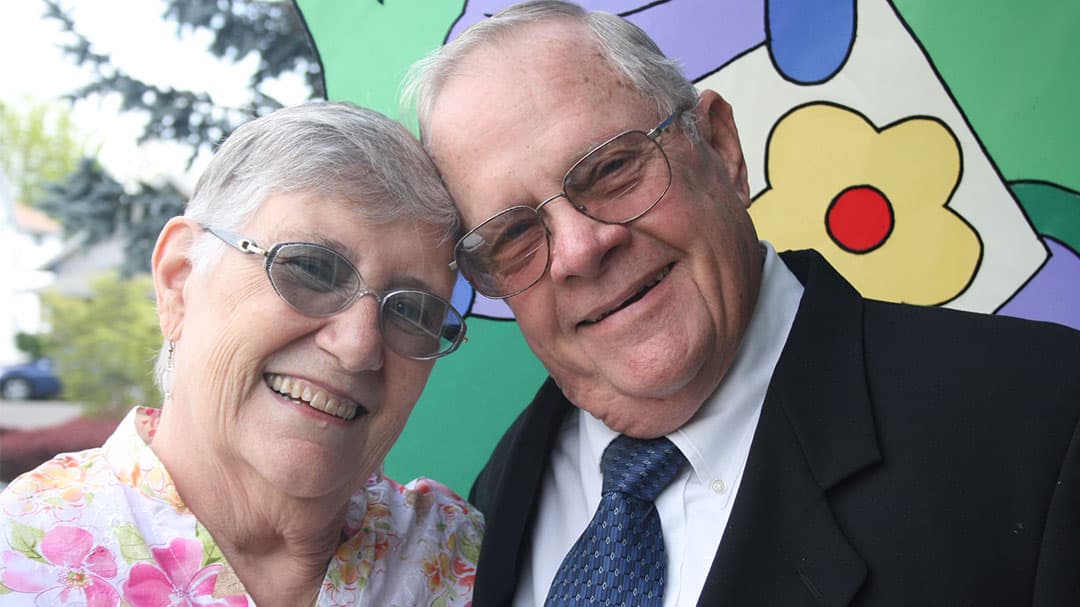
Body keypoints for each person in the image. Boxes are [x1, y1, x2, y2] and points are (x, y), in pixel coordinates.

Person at [402, 2, 1080, 605]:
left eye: (611, 168)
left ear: (720, 147)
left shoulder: (1043, 421)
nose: (580, 249)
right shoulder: (483, 512)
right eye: (516, 234)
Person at [0, 101, 481, 606]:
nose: (360, 346)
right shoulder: (22, 557)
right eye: (312, 270)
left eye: (411, 312)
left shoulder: (466, 561)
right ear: (179, 279)